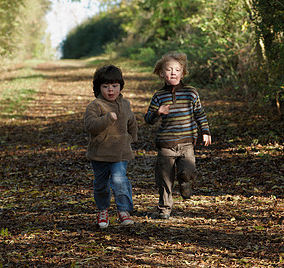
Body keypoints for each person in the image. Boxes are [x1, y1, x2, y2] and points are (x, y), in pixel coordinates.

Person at [144, 51, 211, 219]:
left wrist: (205, 131)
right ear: (161, 73)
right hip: (166, 144)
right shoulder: (159, 96)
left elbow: (200, 114)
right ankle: (164, 209)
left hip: (187, 143)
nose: (173, 73)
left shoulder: (191, 93)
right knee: (164, 179)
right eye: (168, 70)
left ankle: (185, 181)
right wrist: (158, 112)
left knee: (188, 170)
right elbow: (148, 119)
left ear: (183, 73)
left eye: (177, 70)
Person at [84, 65, 138, 228]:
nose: (110, 90)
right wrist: (107, 118)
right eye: (105, 86)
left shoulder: (126, 104)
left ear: (120, 86)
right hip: (99, 154)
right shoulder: (95, 106)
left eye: (114, 86)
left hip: (120, 152)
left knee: (119, 181)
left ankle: (123, 210)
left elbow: (132, 123)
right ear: (98, 87)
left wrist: (132, 138)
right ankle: (103, 211)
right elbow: (90, 125)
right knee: (101, 185)